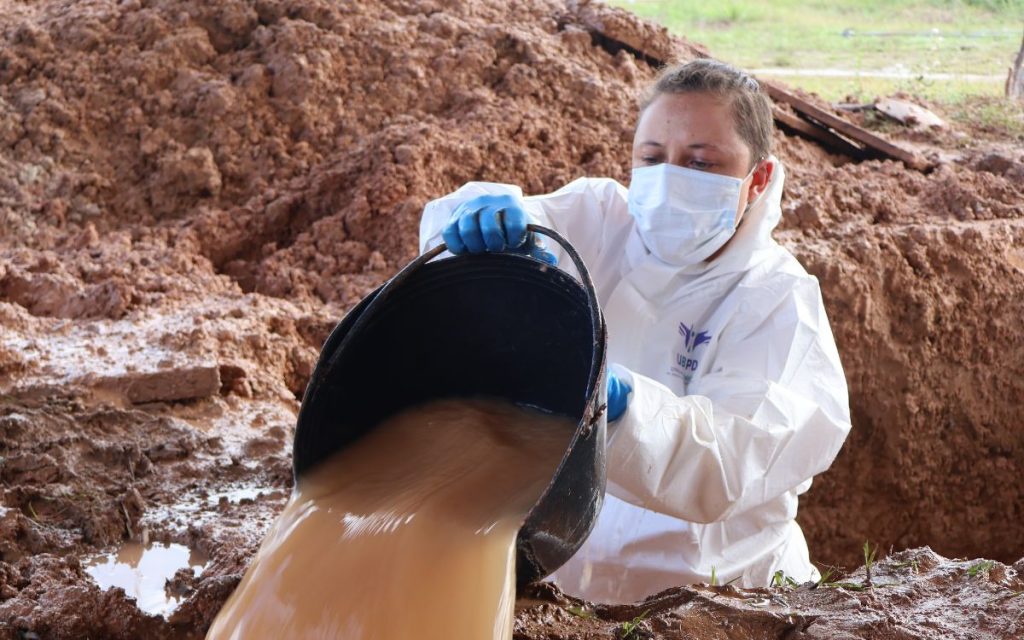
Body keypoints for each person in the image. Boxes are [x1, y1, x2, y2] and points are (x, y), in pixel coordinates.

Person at [418, 59, 851, 604]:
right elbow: (476, 243)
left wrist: (621, 407)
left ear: (757, 179)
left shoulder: (779, 300)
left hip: (717, 599)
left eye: (700, 163)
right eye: (652, 159)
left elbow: (733, 463)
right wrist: (477, 224)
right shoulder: (598, 219)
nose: (670, 179)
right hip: (563, 581)